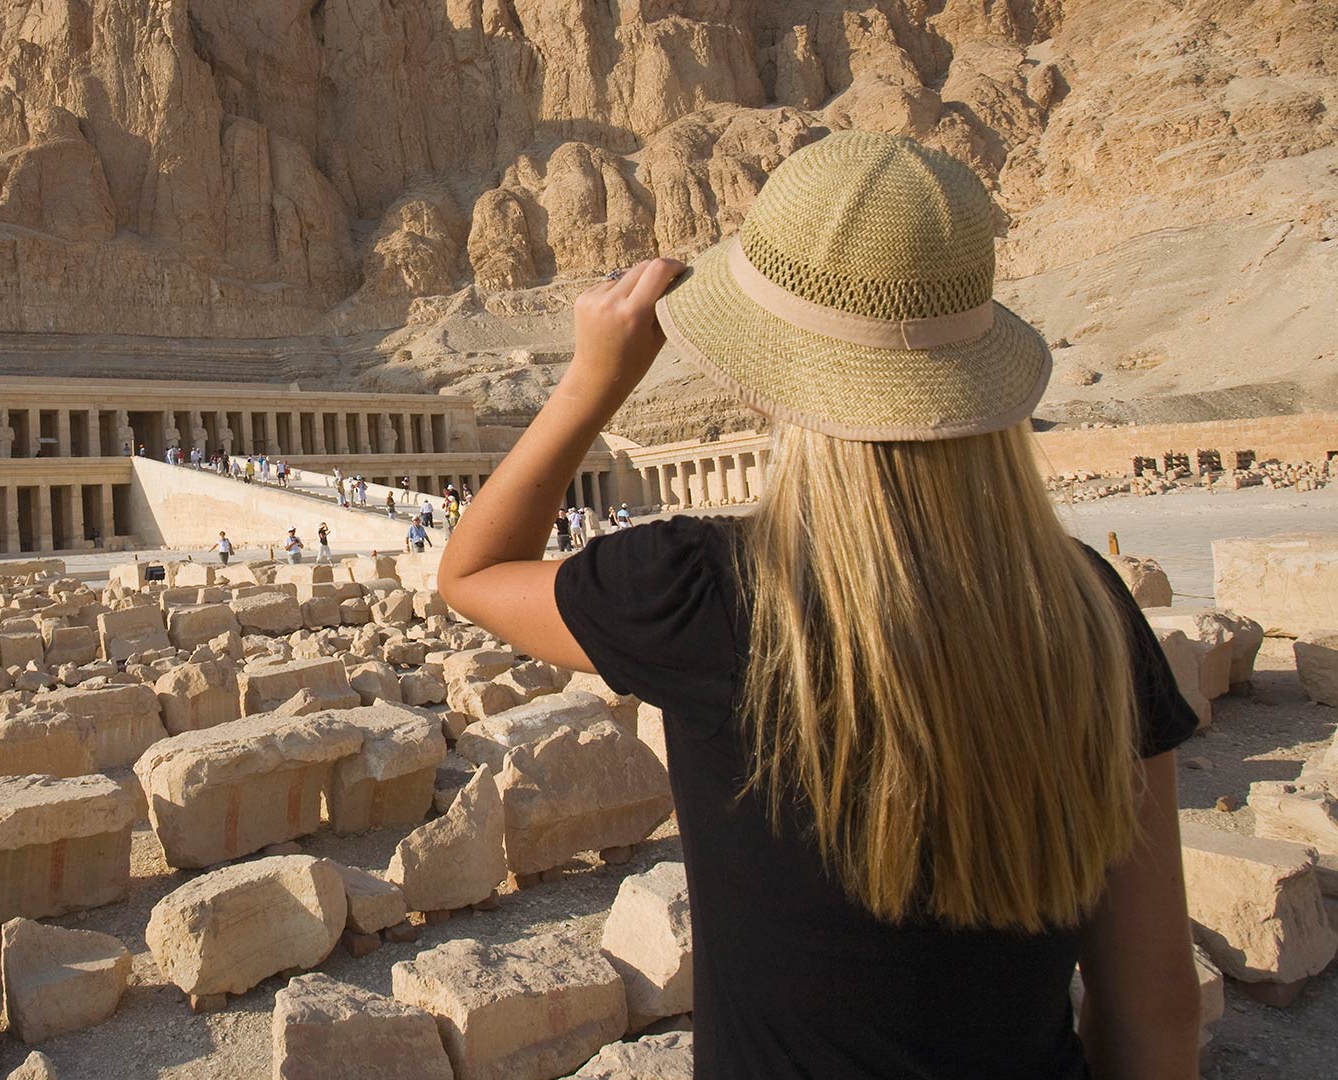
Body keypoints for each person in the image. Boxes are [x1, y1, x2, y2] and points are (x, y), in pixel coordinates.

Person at [434, 133, 1199, 1080]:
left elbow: (473, 571)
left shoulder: (704, 593)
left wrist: (594, 382)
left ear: (775, 368)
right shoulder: (1085, 609)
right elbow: (1155, 1013)